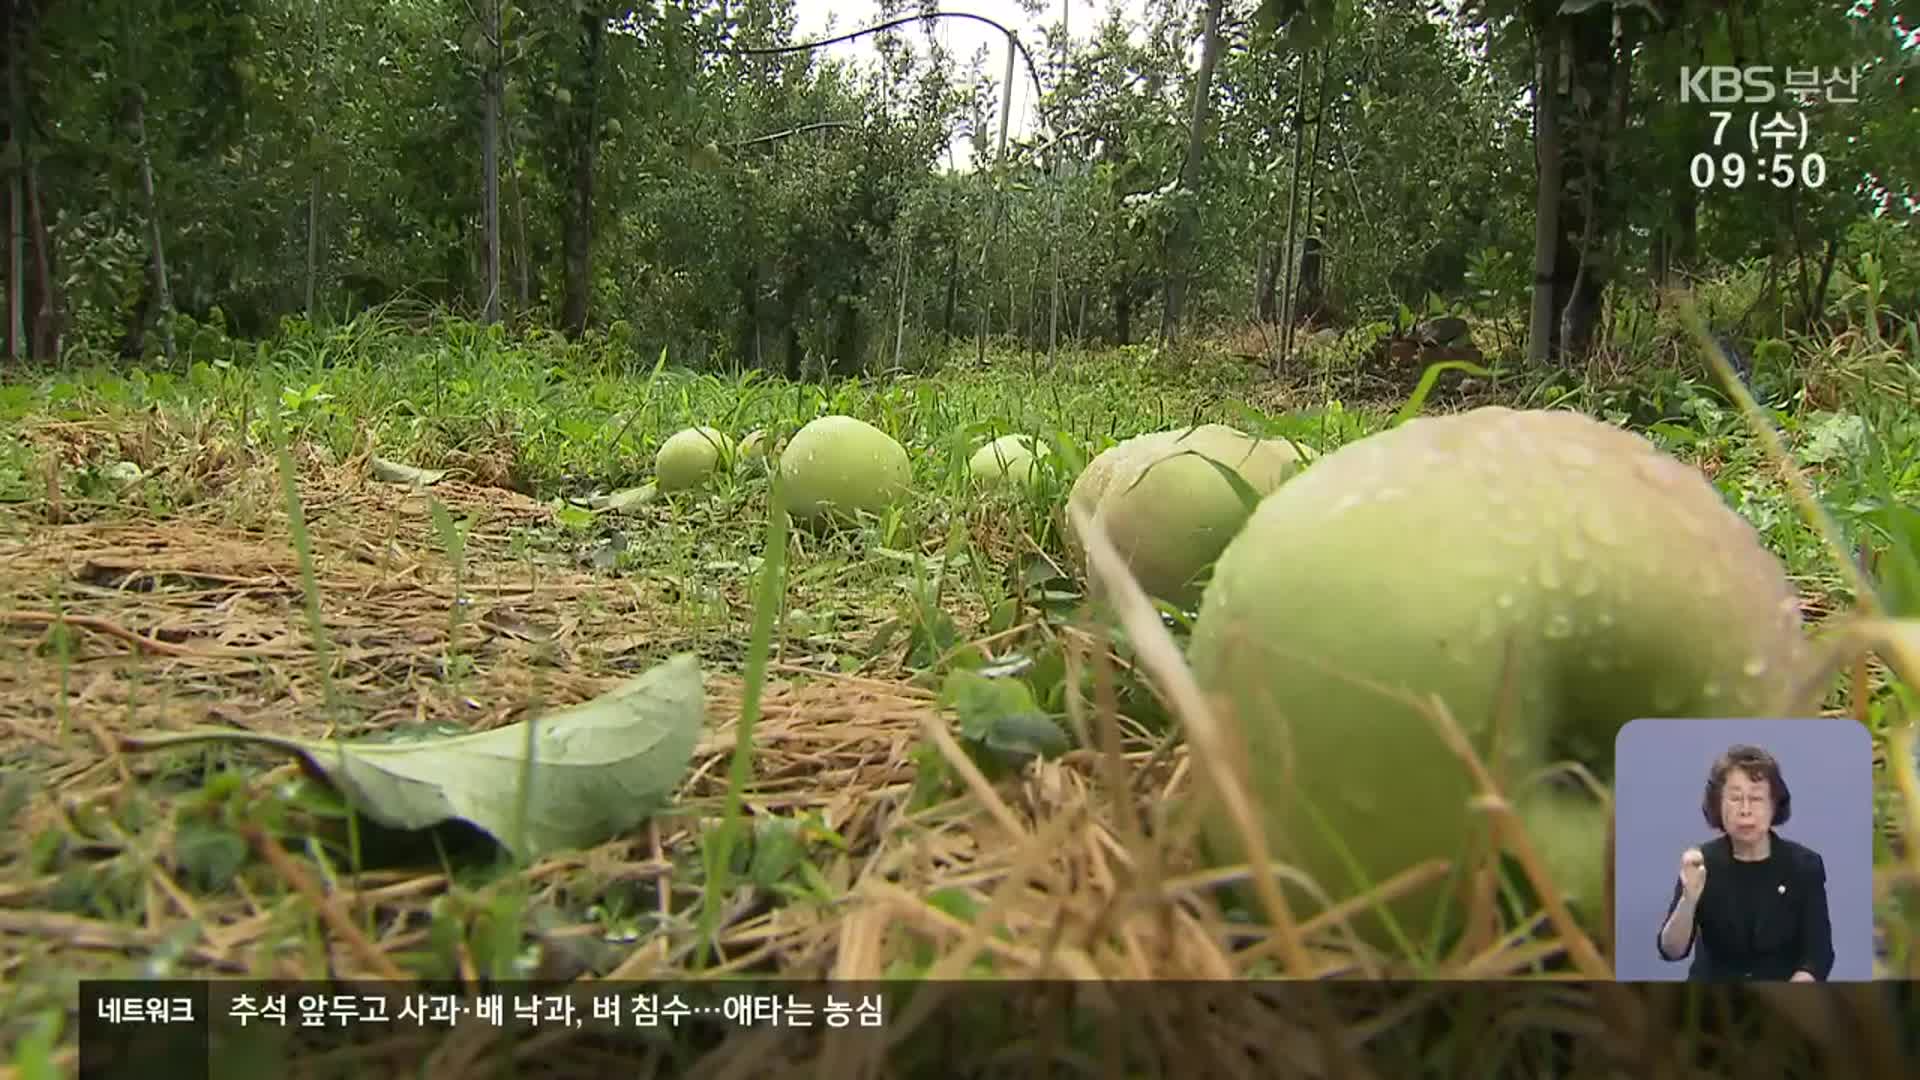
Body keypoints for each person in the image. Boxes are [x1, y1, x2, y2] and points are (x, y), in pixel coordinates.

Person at [1655, 744, 1834, 981]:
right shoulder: (1701, 862)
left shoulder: (1803, 865)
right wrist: (1689, 899)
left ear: (1774, 804)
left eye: (1757, 798)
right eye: (1736, 798)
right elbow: (1672, 951)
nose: (1745, 810)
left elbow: (1818, 955)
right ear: (1718, 804)